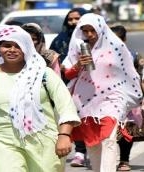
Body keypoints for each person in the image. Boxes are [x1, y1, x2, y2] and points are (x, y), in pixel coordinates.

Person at [0, 23, 81, 171]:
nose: (12, 50)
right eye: (7, 45)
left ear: (27, 47)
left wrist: (64, 135)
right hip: (3, 142)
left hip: (44, 141)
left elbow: (66, 107)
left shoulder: (44, 74)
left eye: (18, 46)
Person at [62, 13, 142, 172]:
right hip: (86, 100)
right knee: (93, 141)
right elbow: (68, 75)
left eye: (92, 30)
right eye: (85, 31)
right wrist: (78, 65)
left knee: (109, 139)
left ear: (101, 28)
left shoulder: (118, 47)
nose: (90, 34)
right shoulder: (79, 48)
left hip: (113, 99)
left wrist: (135, 95)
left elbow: (128, 73)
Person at [49, 7, 89, 167]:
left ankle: (94, 149)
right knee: (75, 116)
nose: (73, 22)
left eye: (77, 18)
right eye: (70, 19)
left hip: (96, 85)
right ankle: (79, 152)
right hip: (68, 83)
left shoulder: (94, 38)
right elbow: (51, 57)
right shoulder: (61, 39)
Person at [111, 25, 144, 171]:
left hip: (129, 98)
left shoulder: (135, 56)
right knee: (109, 129)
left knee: (127, 129)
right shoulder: (100, 55)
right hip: (108, 97)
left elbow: (141, 78)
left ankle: (124, 160)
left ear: (124, 39)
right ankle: (107, 159)